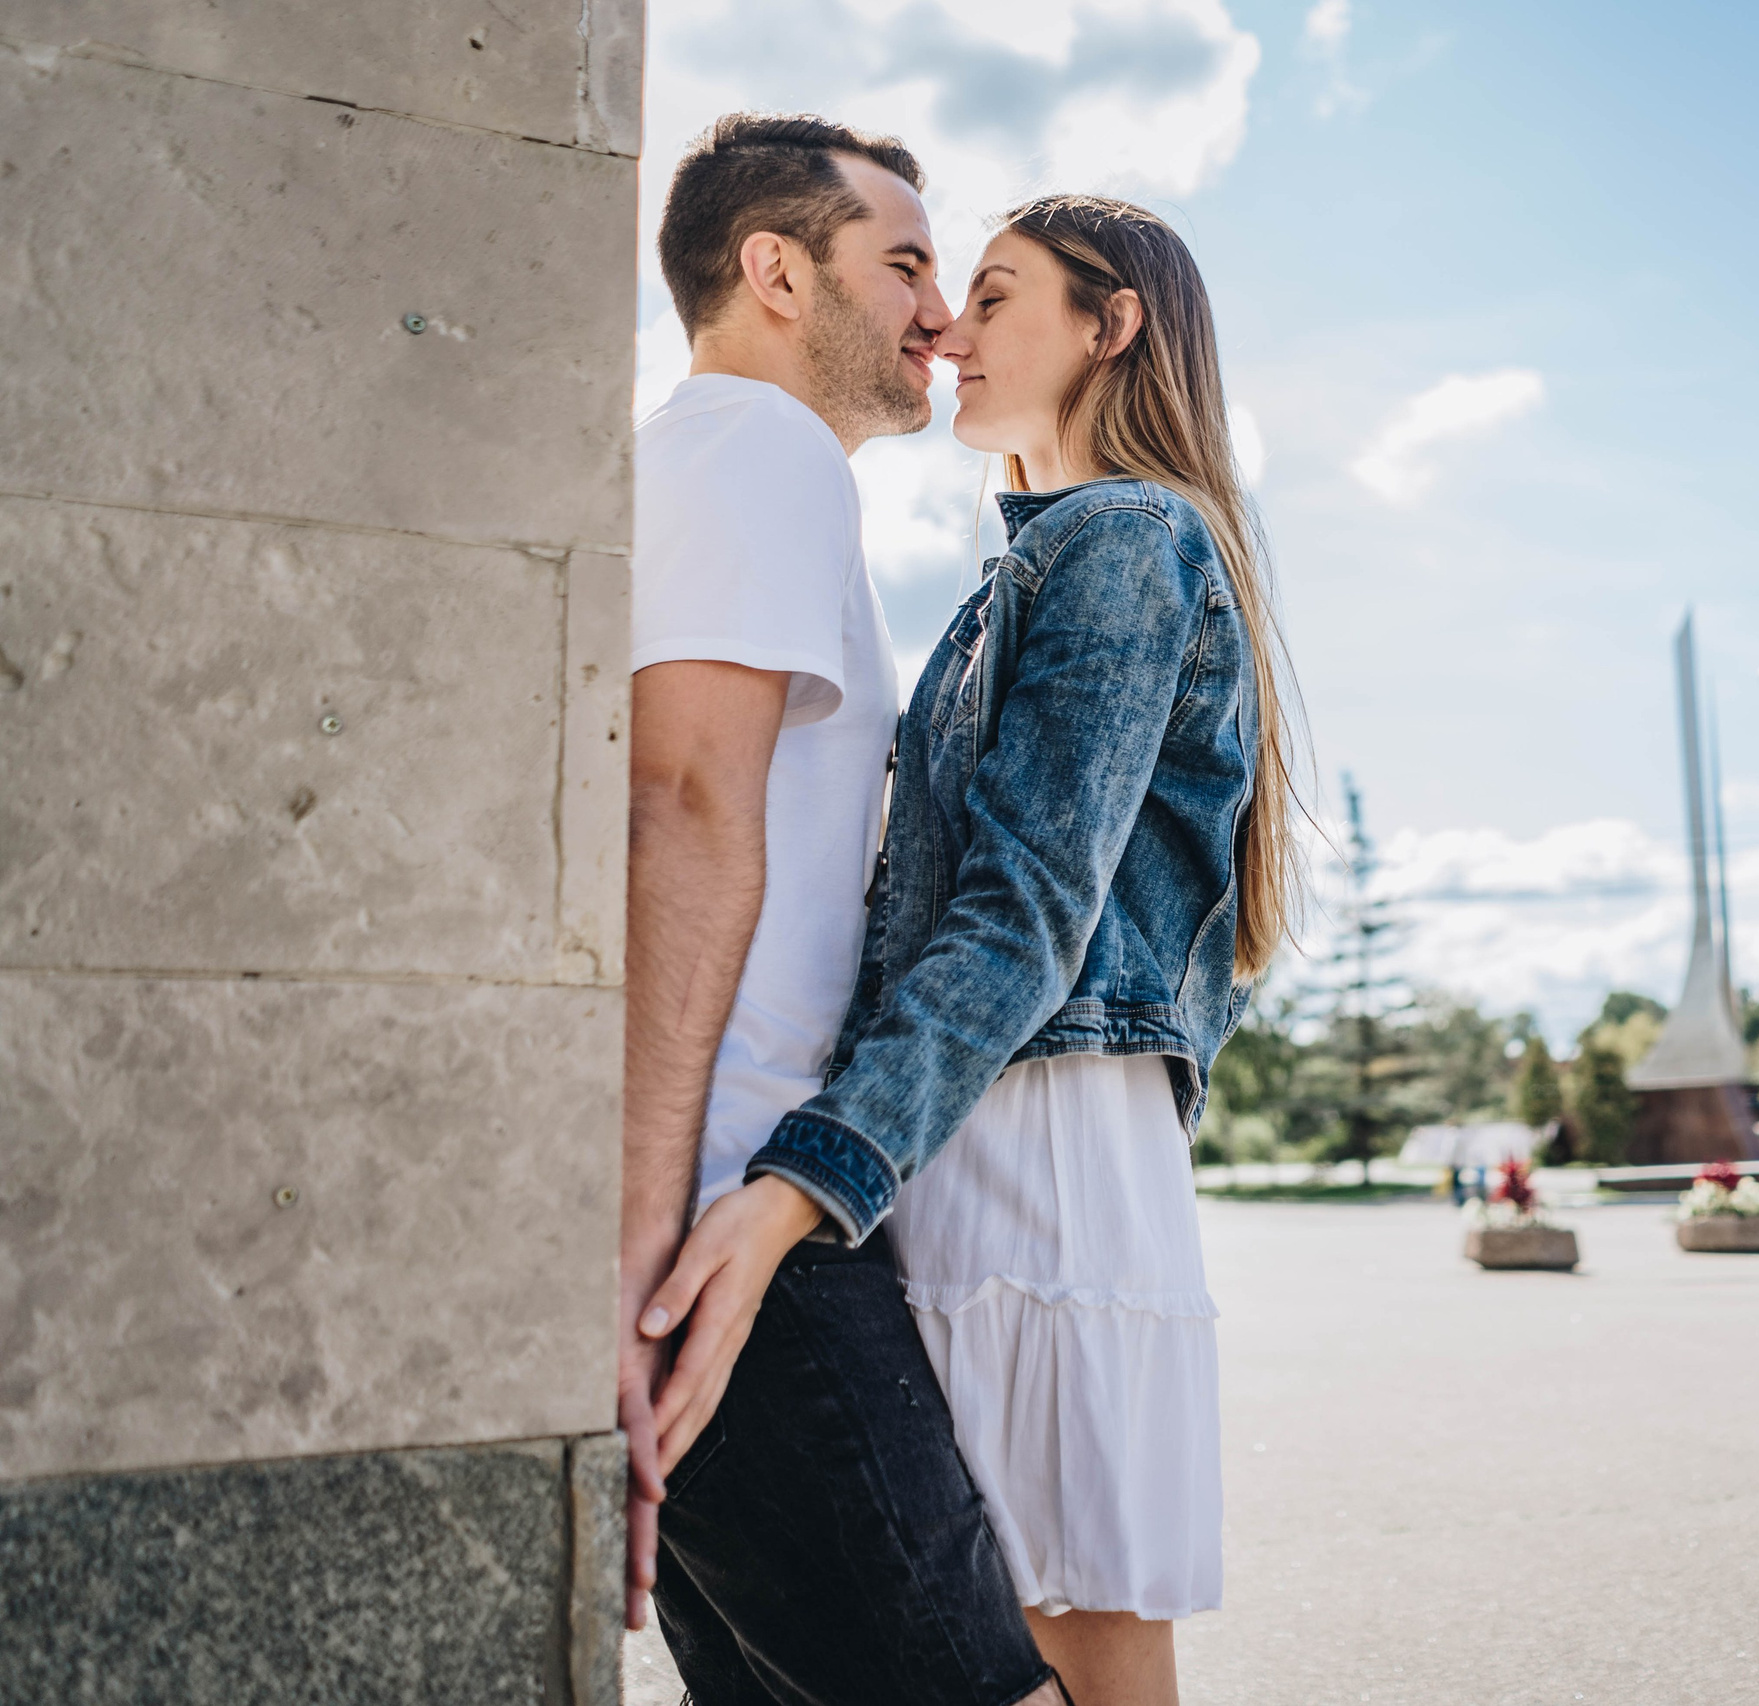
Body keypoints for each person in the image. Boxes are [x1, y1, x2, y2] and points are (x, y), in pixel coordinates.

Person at [745, 194, 1299, 1706]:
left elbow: (1029, 912)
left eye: (994, 297)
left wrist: (825, 1158)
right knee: (981, 1632)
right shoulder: (1032, 567)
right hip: (987, 1126)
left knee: (1069, 1636)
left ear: (1109, 325)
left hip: (1034, 1139)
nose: (950, 329)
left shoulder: (1124, 534)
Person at [619, 112, 1062, 1706]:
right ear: (775, 274)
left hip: (705, 1220)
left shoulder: (694, 463)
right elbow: (683, 810)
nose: (939, 316)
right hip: (736, 1232)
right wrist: (643, 1244)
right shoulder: (758, 451)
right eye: (905, 263)